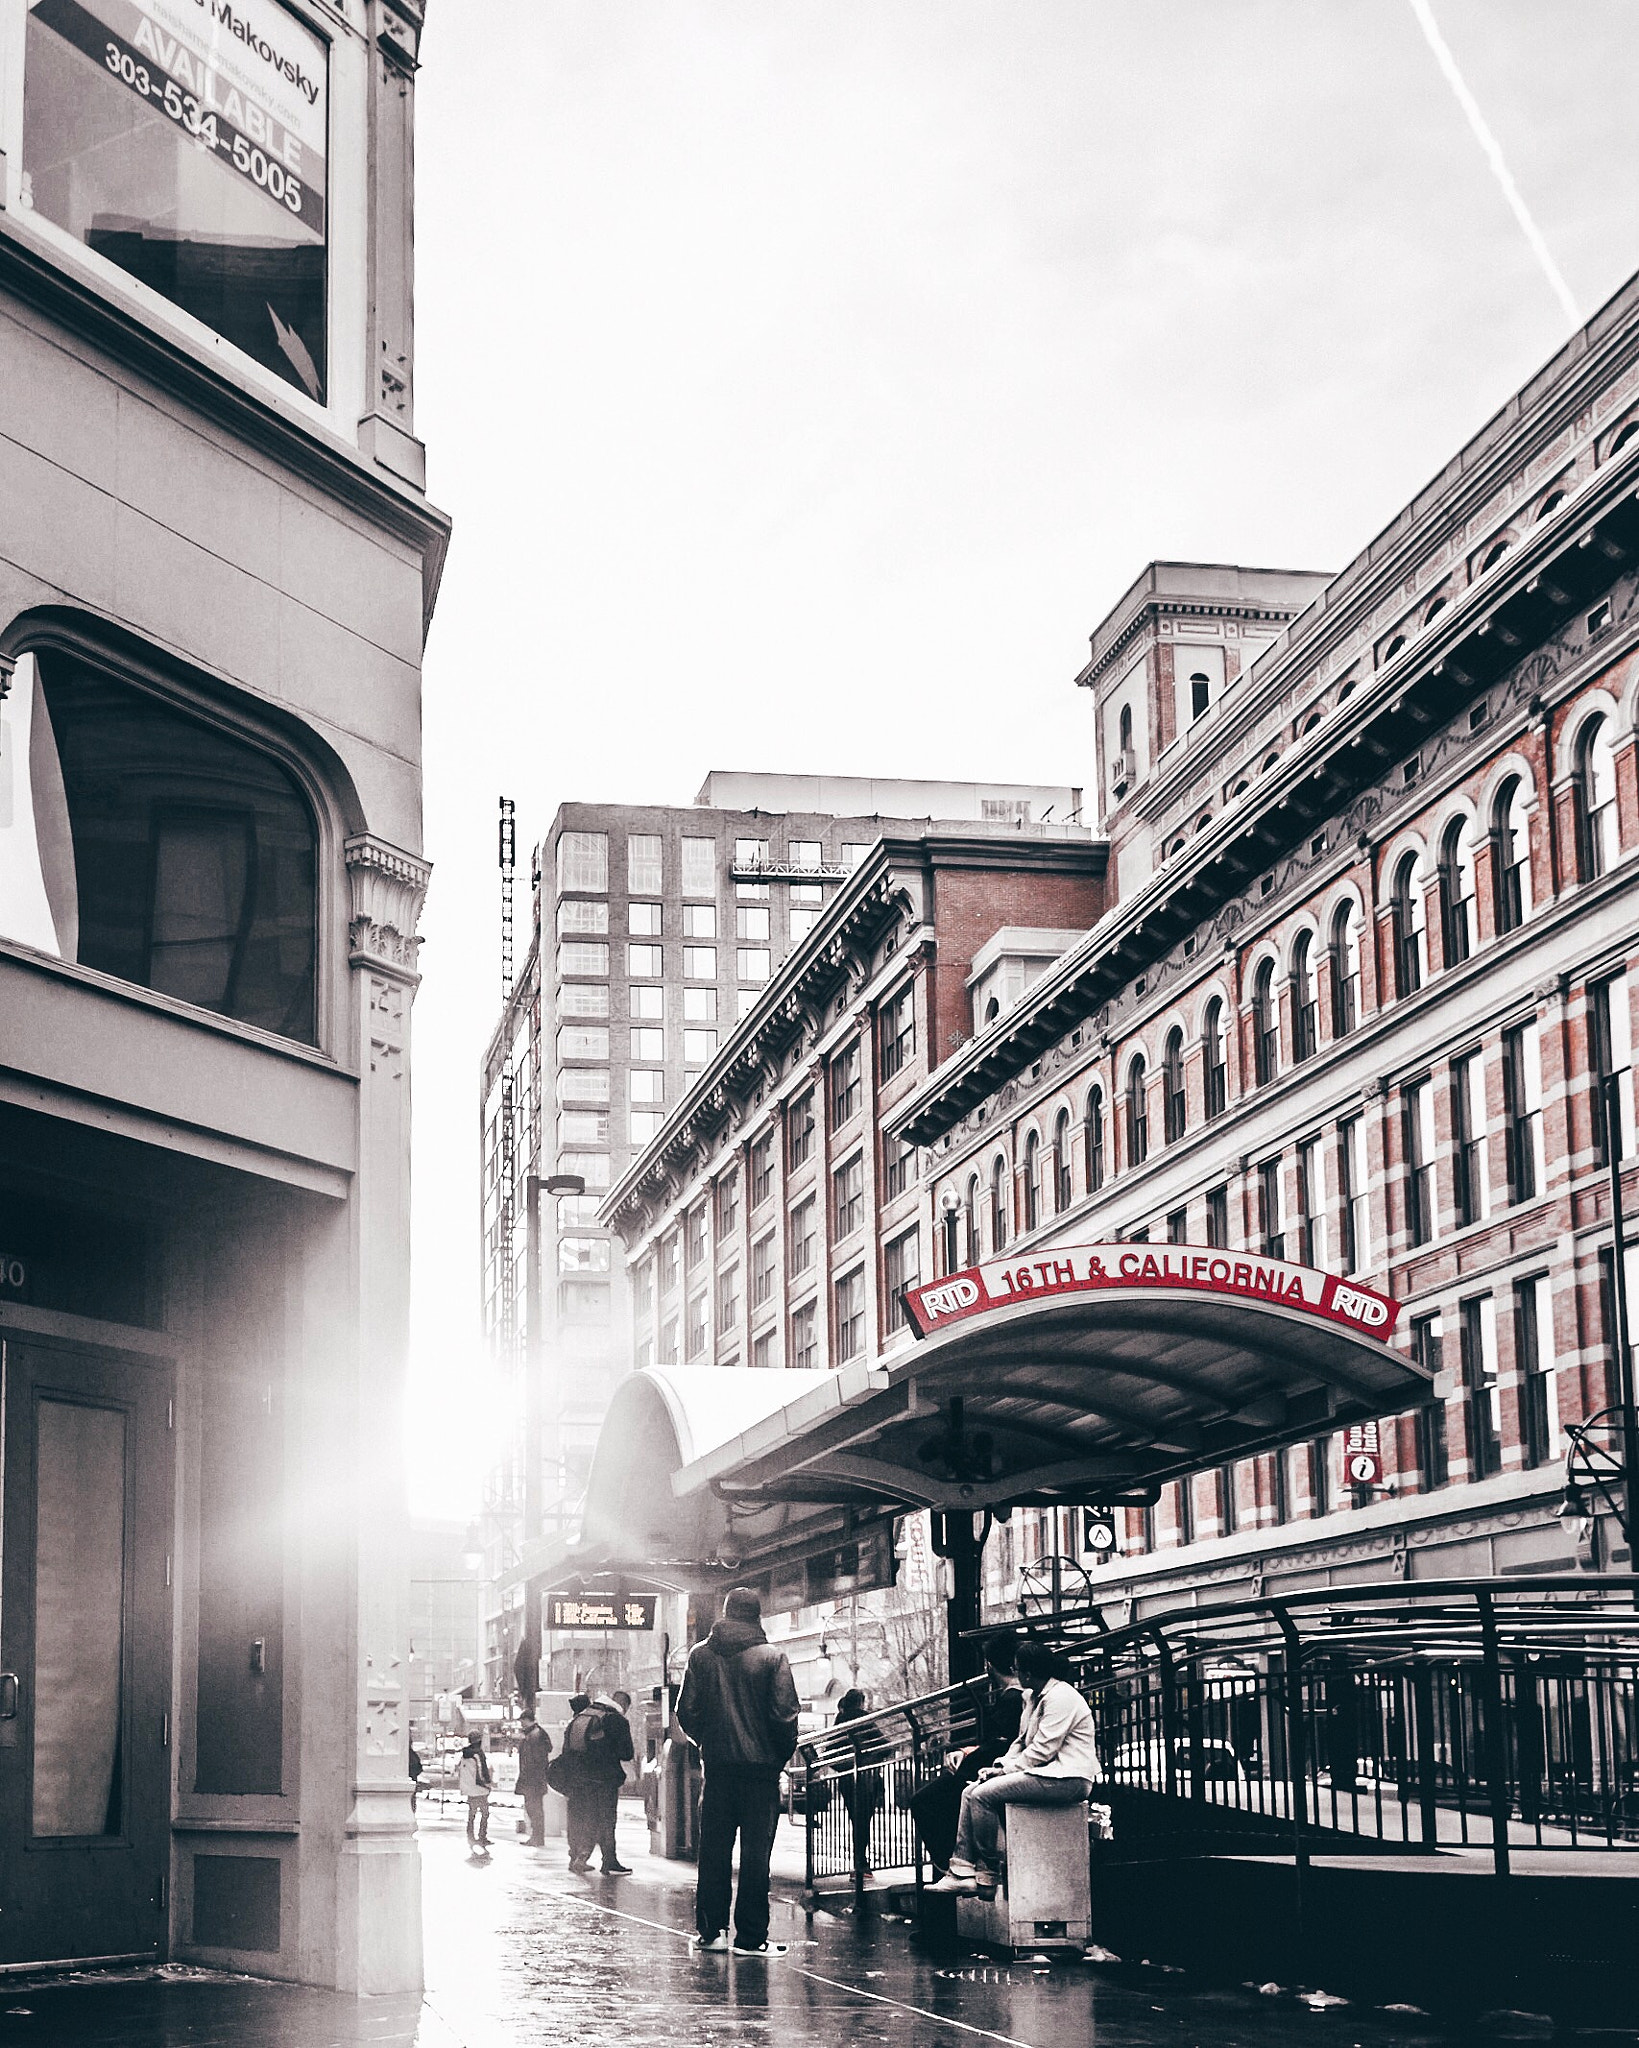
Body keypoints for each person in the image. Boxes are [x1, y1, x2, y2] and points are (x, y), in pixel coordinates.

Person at [676, 1585, 800, 1957]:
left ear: (726, 1613)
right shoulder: (772, 1657)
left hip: (718, 1770)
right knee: (755, 1856)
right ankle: (750, 1937)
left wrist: (709, 1744)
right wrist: (776, 1757)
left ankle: (711, 1933)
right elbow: (785, 1716)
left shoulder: (701, 1655)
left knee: (713, 1853)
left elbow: (687, 1712)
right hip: (760, 1773)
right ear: (757, 1615)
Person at [928, 1639, 1100, 1896]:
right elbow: (1021, 1742)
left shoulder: (1061, 1697)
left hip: (1068, 1778)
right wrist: (1000, 1766)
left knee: (982, 1796)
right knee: (969, 1791)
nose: (1014, 1673)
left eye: (1017, 1668)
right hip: (1047, 1773)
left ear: (1028, 1673)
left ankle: (991, 1868)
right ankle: (962, 1870)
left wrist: (1005, 1771)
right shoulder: (1032, 1696)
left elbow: (1043, 1749)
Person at [910, 1631, 1025, 1874]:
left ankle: (953, 1862)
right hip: (1000, 1767)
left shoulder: (1012, 1698)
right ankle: (960, 1861)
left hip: (993, 1769)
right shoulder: (1021, 1697)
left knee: (924, 1801)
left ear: (990, 1666)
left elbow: (1000, 1743)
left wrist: (968, 1756)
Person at [832, 1688, 885, 1874]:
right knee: (864, 1821)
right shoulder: (864, 1718)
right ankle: (862, 1864)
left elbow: (832, 1747)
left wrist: (842, 1768)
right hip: (867, 1777)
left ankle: (860, 1863)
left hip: (847, 1778)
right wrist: (871, 1759)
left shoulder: (841, 1719)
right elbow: (884, 1745)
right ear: (861, 1702)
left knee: (856, 1820)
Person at [586, 1690, 637, 1872]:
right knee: (607, 1820)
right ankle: (609, 1860)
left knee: (587, 1818)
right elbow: (627, 1753)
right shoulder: (617, 1720)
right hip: (606, 1779)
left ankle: (579, 1857)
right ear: (624, 1705)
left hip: (583, 1779)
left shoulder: (589, 1713)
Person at [514, 1710, 554, 1847]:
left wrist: (528, 1777)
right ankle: (537, 1837)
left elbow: (533, 1760)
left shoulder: (534, 1735)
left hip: (532, 1780)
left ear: (527, 1719)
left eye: (522, 1721)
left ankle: (537, 1837)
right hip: (535, 1779)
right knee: (534, 1809)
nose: (521, 1724)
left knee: (534, 1809)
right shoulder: (535, 1733)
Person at [456, 1734, 493, 1852]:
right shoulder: (478, 1754)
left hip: (469, 1789)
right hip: (479, 1789)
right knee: (485, 1813)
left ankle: (470, 1836)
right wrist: (487, 1784)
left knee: (471, 1814)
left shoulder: (464, 1755)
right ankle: (482, 1836)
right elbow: (481, 1772)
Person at [408, 1741, 423, 1816]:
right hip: (413, 1780)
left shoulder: (406, 1755)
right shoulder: (413, 1755)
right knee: (412, 1799)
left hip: (409, 1780)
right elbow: (420, 1768)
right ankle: (412, 1813)